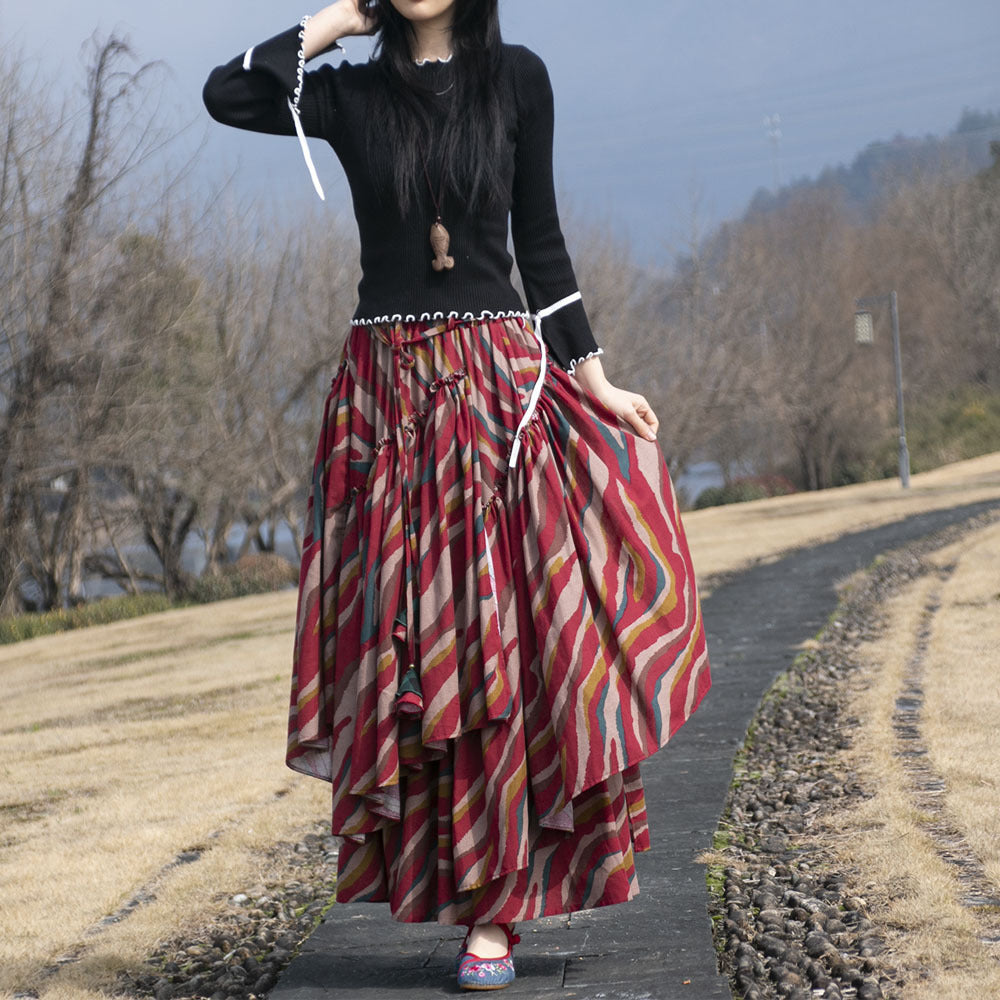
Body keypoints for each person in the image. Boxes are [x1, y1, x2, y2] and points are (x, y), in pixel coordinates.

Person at [203, 0, 711, 990]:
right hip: (382, 403)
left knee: (490, 649)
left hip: (495, 394)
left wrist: (595, 376)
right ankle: (448, 881)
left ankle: (495, 910)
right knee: (402, 652)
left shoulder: (519, 79)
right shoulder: (349, 96)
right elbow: (230, 93)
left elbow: (543, 242)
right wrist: (330, 23)